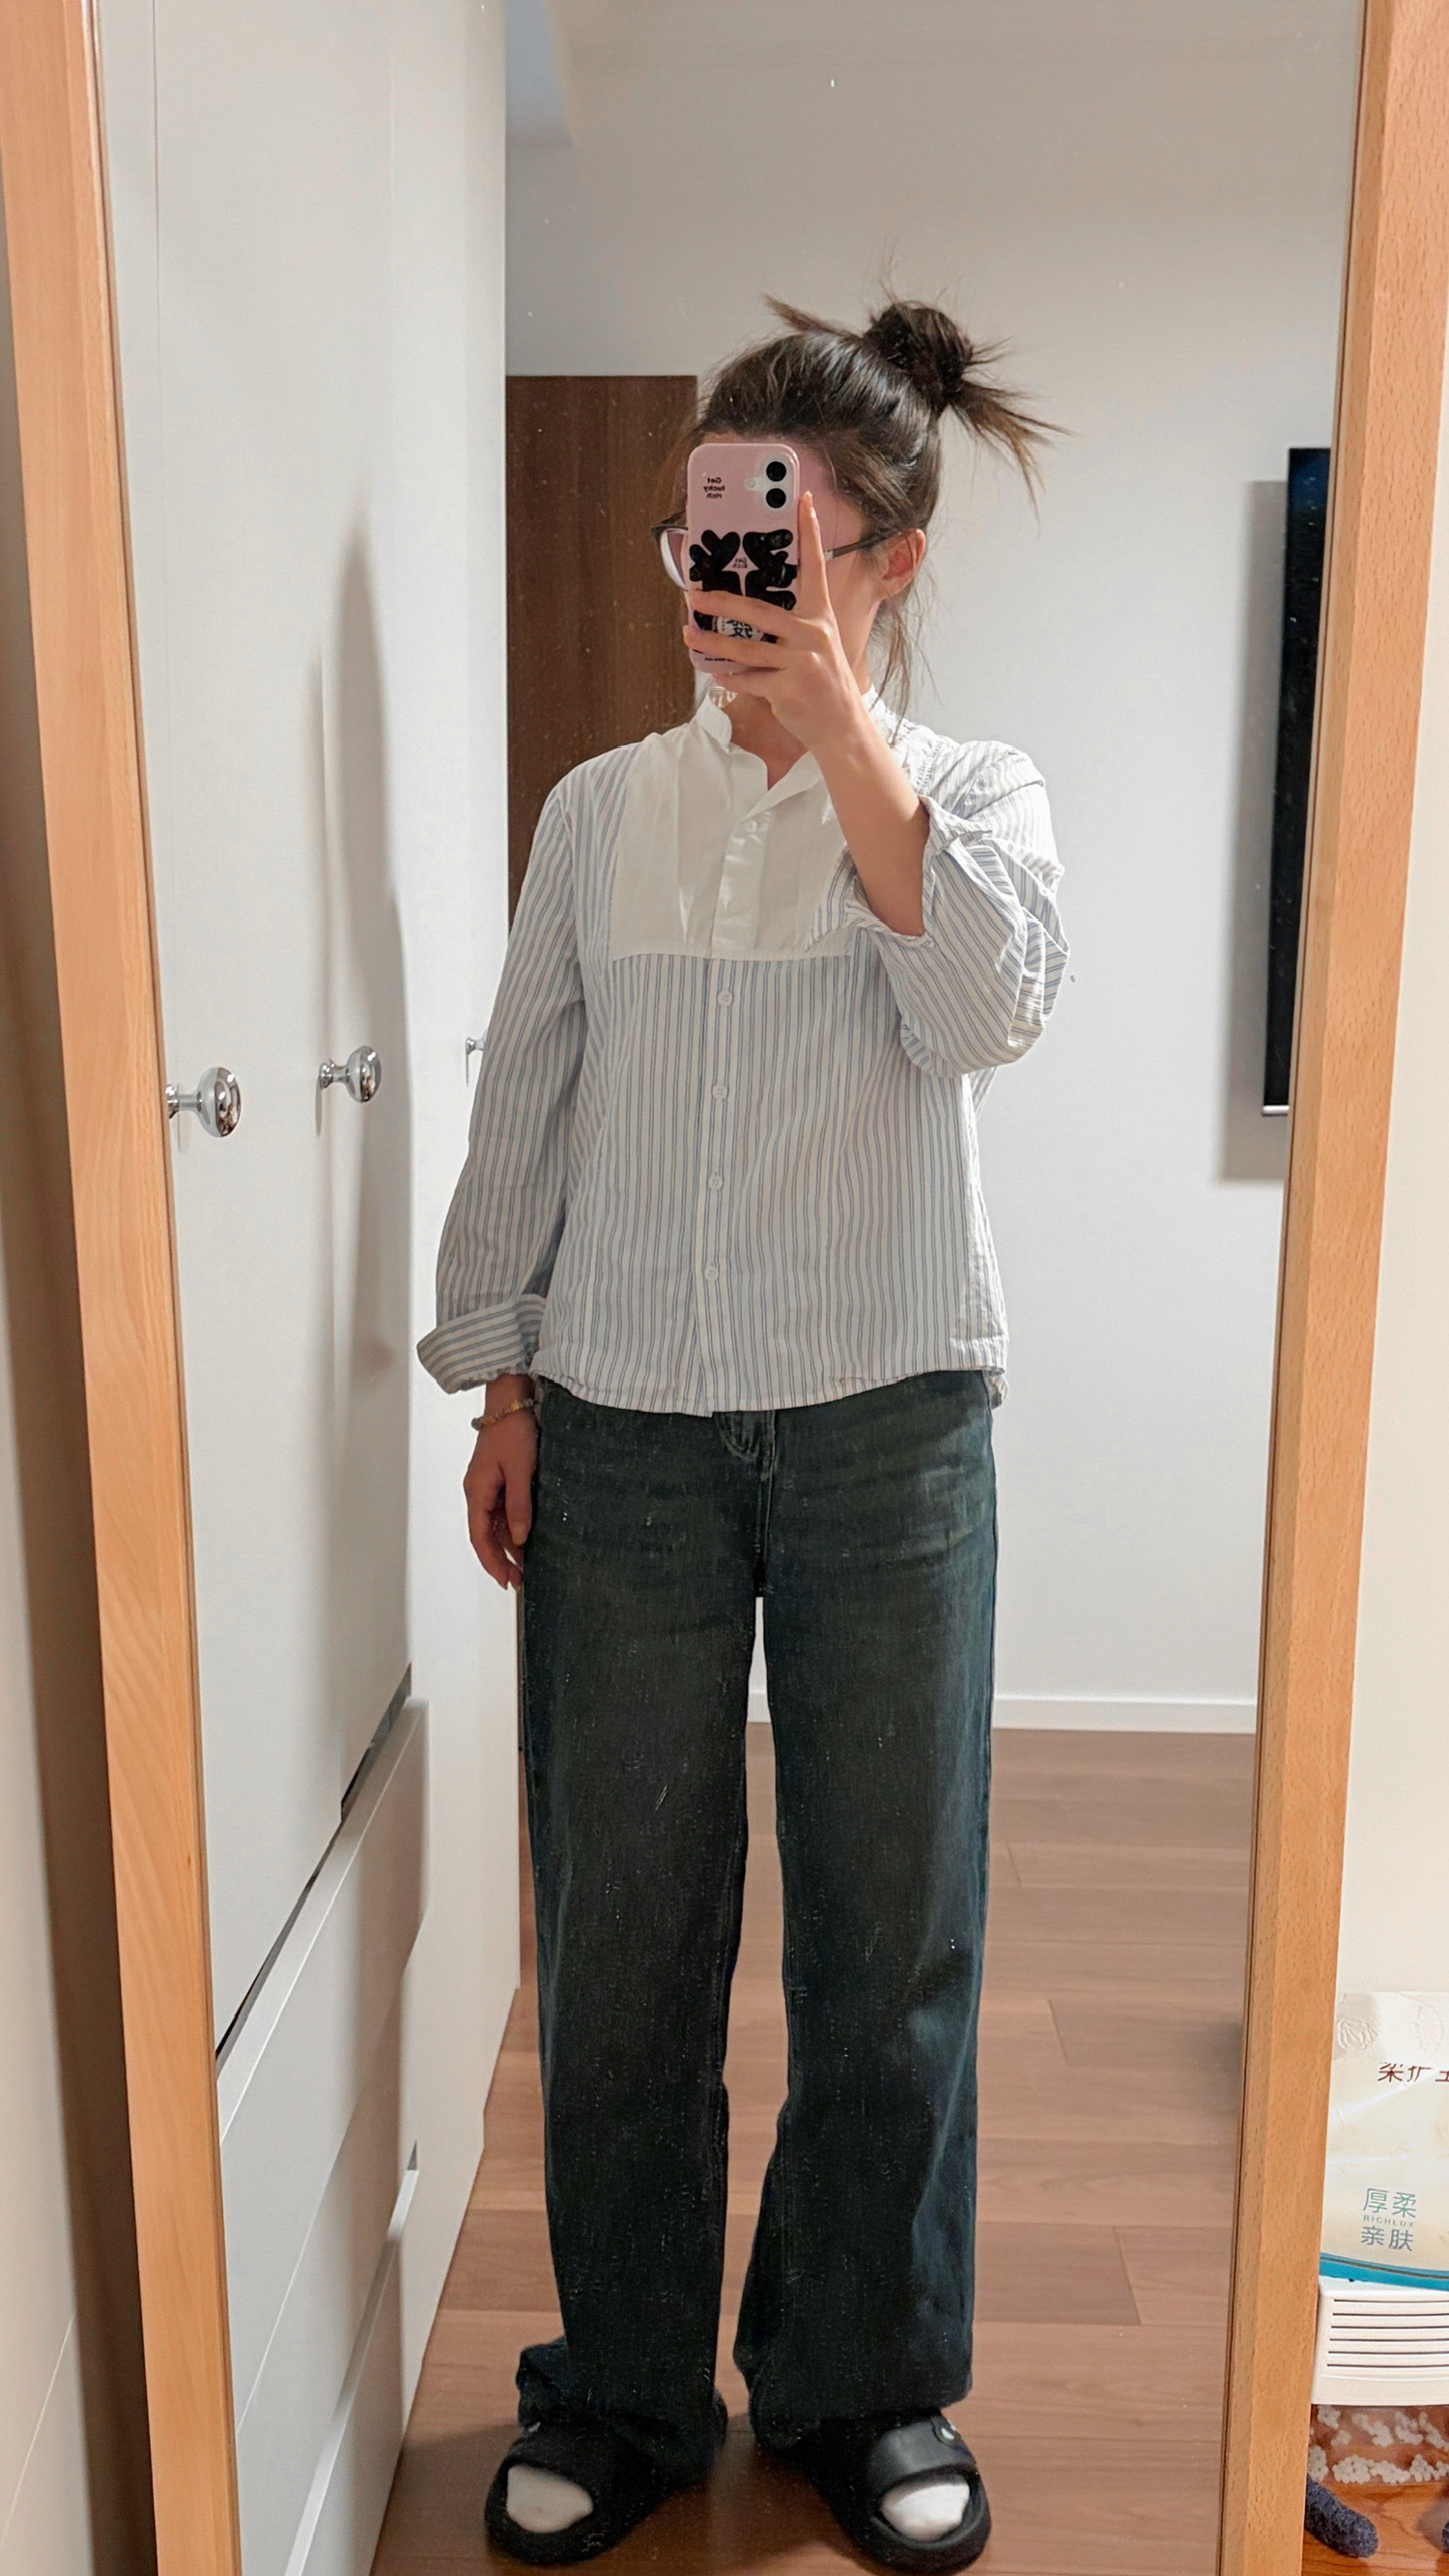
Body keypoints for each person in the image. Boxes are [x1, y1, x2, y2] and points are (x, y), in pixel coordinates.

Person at [417, 295, 1066, 2572]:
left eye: (785, 540)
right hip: (625, 1438)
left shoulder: (976, 797)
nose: (733, 580)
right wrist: (502, 1377)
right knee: (622, 1936)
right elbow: (526, 1099)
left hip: (893, 1427)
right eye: (710, 534)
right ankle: (618, 2386)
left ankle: (861, 2381)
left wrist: (842, 734)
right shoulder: (600, 812)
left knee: (892, 1941)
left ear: (887, 557)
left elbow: (981, 1010)